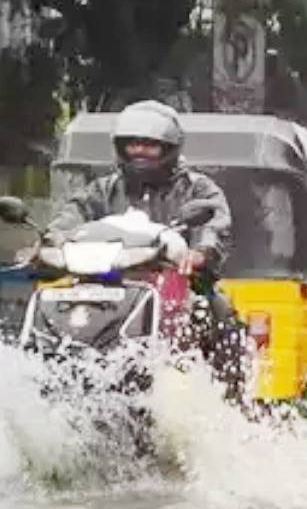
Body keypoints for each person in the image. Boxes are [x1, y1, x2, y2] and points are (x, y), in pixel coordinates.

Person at [46, 100, 244, 394]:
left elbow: (216, 221)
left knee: (219, 309)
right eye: (132, 144)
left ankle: (230, 397)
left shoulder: (197, 188)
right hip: (105, 281)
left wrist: (202, 251)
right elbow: (70, 216)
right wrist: (50, 241)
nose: (139, 151)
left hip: (180, 281)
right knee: (55, 304)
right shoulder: (103, 189)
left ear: (169, 149)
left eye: (149, 145)